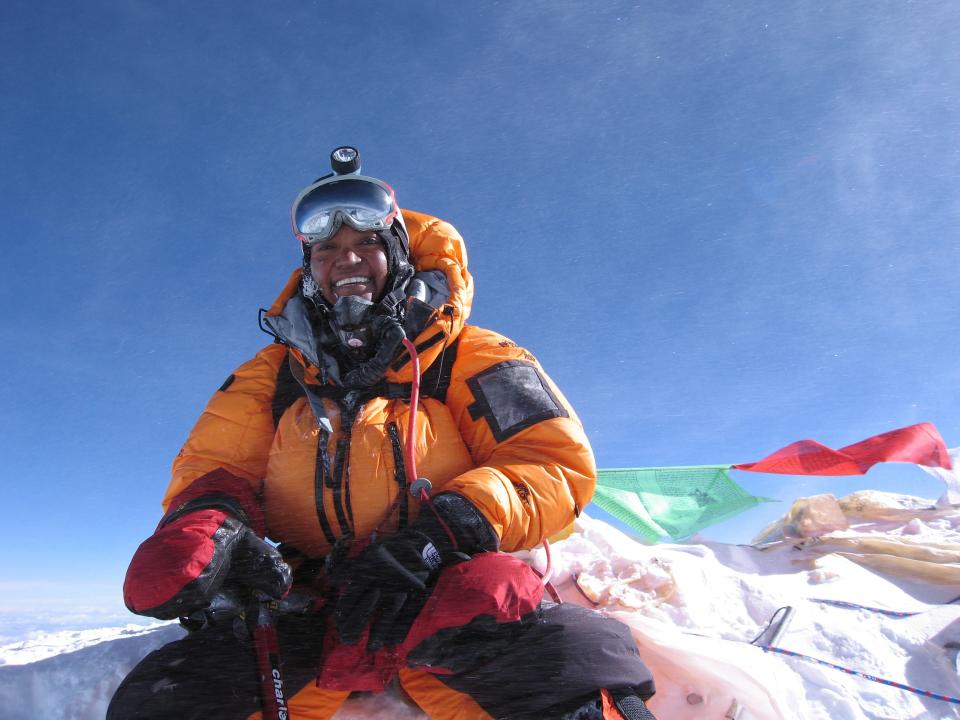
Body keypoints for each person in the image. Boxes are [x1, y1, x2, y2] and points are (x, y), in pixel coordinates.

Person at [108, 148, 656, 720]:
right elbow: (214, 469)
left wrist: (445, 529)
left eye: (366, 243)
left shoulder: (474, 353)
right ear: (311, 269)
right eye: (327, 249)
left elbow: (551, 463)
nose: (346, 258)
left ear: (396, 254)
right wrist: (207, 527)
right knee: (172, 697)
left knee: (569, 665)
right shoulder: (270, 374)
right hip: (314, 593)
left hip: (451, 581)